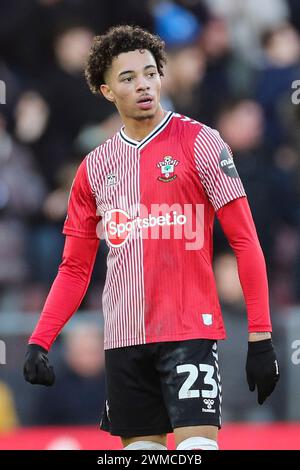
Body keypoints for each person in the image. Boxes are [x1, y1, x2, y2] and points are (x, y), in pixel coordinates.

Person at [23, 25, 280, 451]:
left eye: (149, 72)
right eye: (128, 78)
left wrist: (261, 337)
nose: (142, 84)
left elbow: (246, 242)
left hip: (189, 333)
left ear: (161, 75)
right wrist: (40, 339)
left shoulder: (201, 143)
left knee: (196, 451)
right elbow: (74, 267)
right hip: (124, 341)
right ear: (107, 91)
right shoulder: (93, 168)